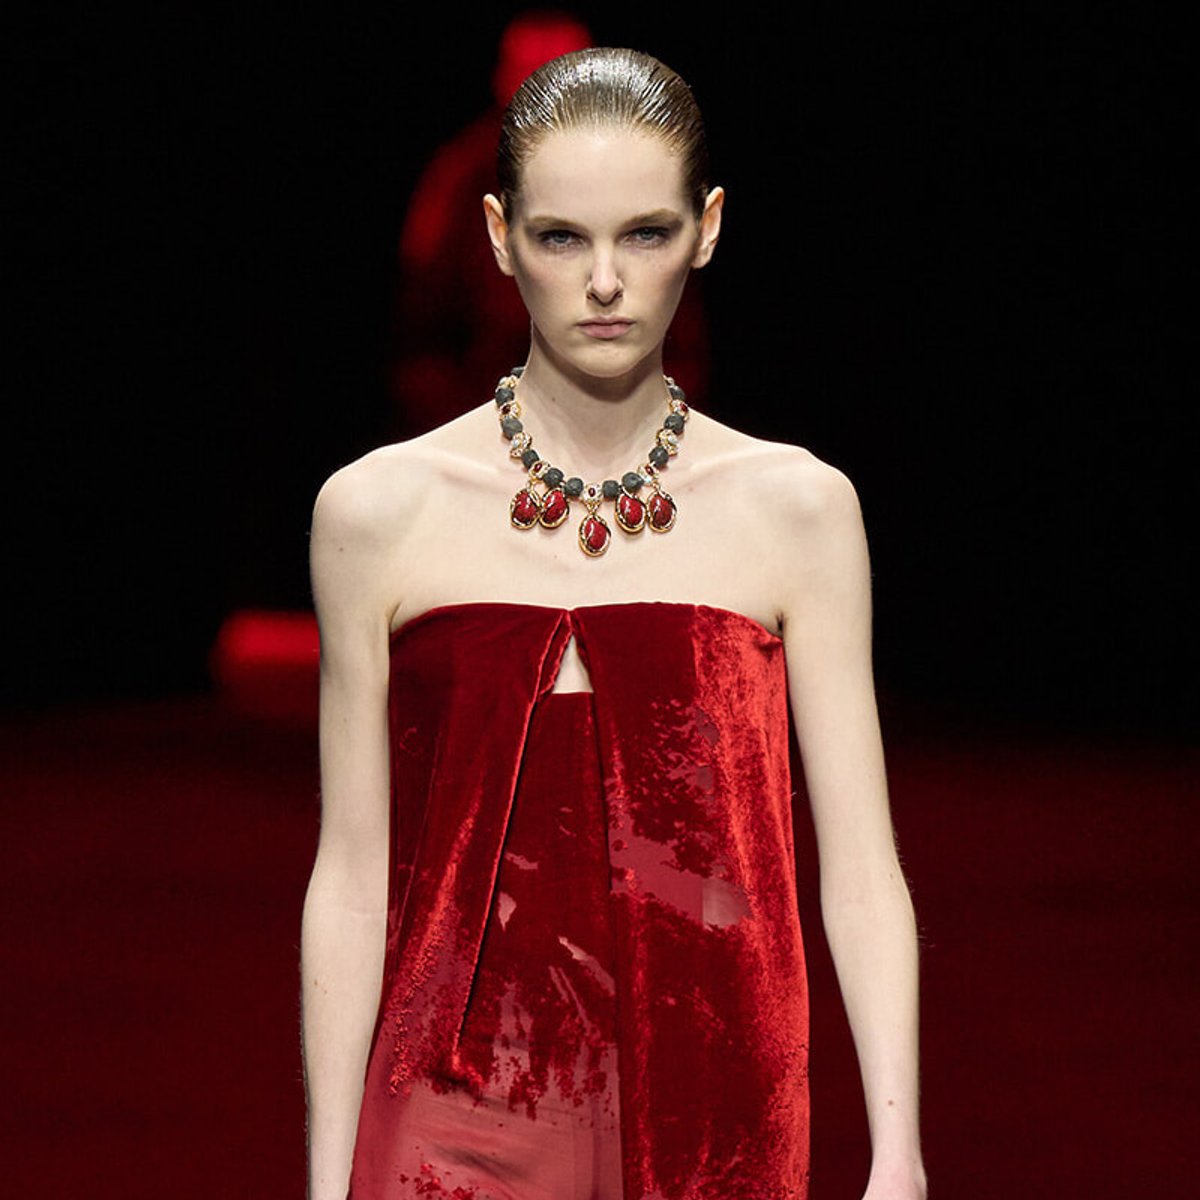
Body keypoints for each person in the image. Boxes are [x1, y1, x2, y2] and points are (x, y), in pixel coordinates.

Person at [301, 47, 928, 1200]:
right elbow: (351, 872)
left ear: (710, 227)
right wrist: (325, 1182)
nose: (604, 281)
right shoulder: (376, 513)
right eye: (560, 237)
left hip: (722, 1101)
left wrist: (899, 1155)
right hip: (451, 1109)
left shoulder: (798, 510)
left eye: (644, 233)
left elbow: (863, 865)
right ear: (497, 236)